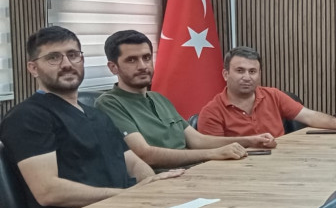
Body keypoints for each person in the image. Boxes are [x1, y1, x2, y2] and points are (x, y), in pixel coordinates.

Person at [0, 26, 182, 208]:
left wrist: (151, 186)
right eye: (53, 58)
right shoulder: (28, 117)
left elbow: (134, 164)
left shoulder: (97, 115)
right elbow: (48, 191)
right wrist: (127, 195)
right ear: (33, 68)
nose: (67, 64)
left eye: (73, 55)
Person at [95, 31, 277, 169]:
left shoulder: (158, 98)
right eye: (131, 60)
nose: (142, 66)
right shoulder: (109, 103)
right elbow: (145, 154)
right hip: (162, 181)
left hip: (195, 172)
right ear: (113, 67)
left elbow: (197, 140)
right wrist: (212, 154)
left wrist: (250, 141)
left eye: (147, 58)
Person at [198, 46, 336, 137]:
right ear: (225, 74)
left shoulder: (273, 95)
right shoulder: (212, 112)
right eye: (240, 71)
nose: (247, 77)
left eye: (252, 72)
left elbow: (308, 116)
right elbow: (215, 156)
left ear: (259, 74)